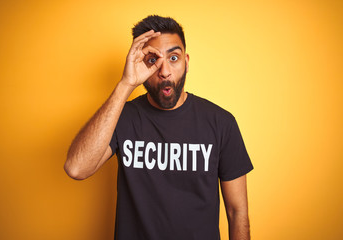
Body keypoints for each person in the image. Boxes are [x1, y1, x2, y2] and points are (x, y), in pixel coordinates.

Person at [64, 15, 253, 240]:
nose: (164, 71)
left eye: (174, 57)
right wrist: (126, 84)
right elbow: (76, 168)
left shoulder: (221, 123)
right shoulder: (121, 117)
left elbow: (237, 211)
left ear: (187, 62)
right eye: (153, 60)